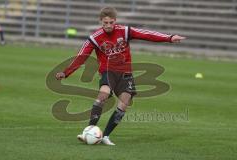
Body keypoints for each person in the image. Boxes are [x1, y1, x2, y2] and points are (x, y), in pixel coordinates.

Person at [56, 7, 185, 145]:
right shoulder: (95, 38)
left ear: (115, 21)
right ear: (101, 21)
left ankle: (105, 136)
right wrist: (66, 72)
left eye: (111, 22)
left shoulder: (125, 31)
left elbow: (147, 35)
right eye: (105, 23)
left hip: (125, 73)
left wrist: (169, 38)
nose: (108, 26)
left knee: (124, 103)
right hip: (108, 71)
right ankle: (88, 130)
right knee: (103, 95)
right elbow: (81, 57)